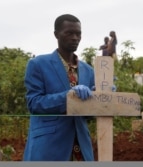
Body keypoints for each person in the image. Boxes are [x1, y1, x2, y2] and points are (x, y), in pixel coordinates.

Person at [23, 14, 95, 161]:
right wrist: (68, 97)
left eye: (78, 33)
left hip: (81, 149)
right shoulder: (38, 64)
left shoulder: (88, 70)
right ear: (56, 34)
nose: (75, 37)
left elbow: (88, 115)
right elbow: (34, 103)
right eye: (69, 33)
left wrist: (100, 98)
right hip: (49, 147)